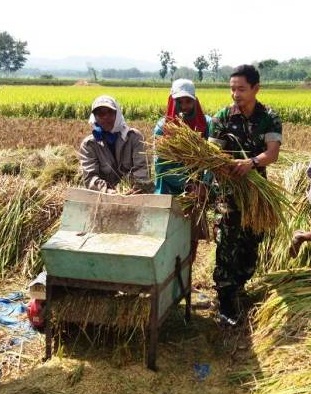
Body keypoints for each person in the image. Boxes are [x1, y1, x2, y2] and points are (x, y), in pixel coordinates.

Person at [208, 64, 282, 326]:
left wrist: (250, 163)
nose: (235, 94)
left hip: (256, 193)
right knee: (227, 239)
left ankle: (240, 284)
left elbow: (271, 154)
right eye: (232, 89)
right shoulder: (222, 118)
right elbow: (212, 152)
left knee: (252, 240)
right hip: (229, 190)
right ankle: (226, 298)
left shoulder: (269, 117)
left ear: (255, 88)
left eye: (241, 89)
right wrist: (224, 166)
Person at [154, 78, 211, 263]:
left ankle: (185, 282)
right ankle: (168, 284)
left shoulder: (207, 124)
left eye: (188, 101)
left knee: (191, 240)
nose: (184, 106)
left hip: (196, 192)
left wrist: (203, 185)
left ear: (195, 100)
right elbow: (161, 165)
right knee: (166, 239)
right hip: (169, 189)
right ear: (172, 101)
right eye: (179, 101)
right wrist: (187, 184)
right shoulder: (163, 127)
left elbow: (213, 161)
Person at [79, 95, 154, 194]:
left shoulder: (134, 137)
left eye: (110, 112)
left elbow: (142, 169)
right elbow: (90, 178)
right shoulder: (89, 145)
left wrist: (136, 188)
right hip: (104, 196)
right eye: (100, 113)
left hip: (135, 193)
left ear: (117, 114)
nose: (106, 117)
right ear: (95, 117)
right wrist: (108, 191)